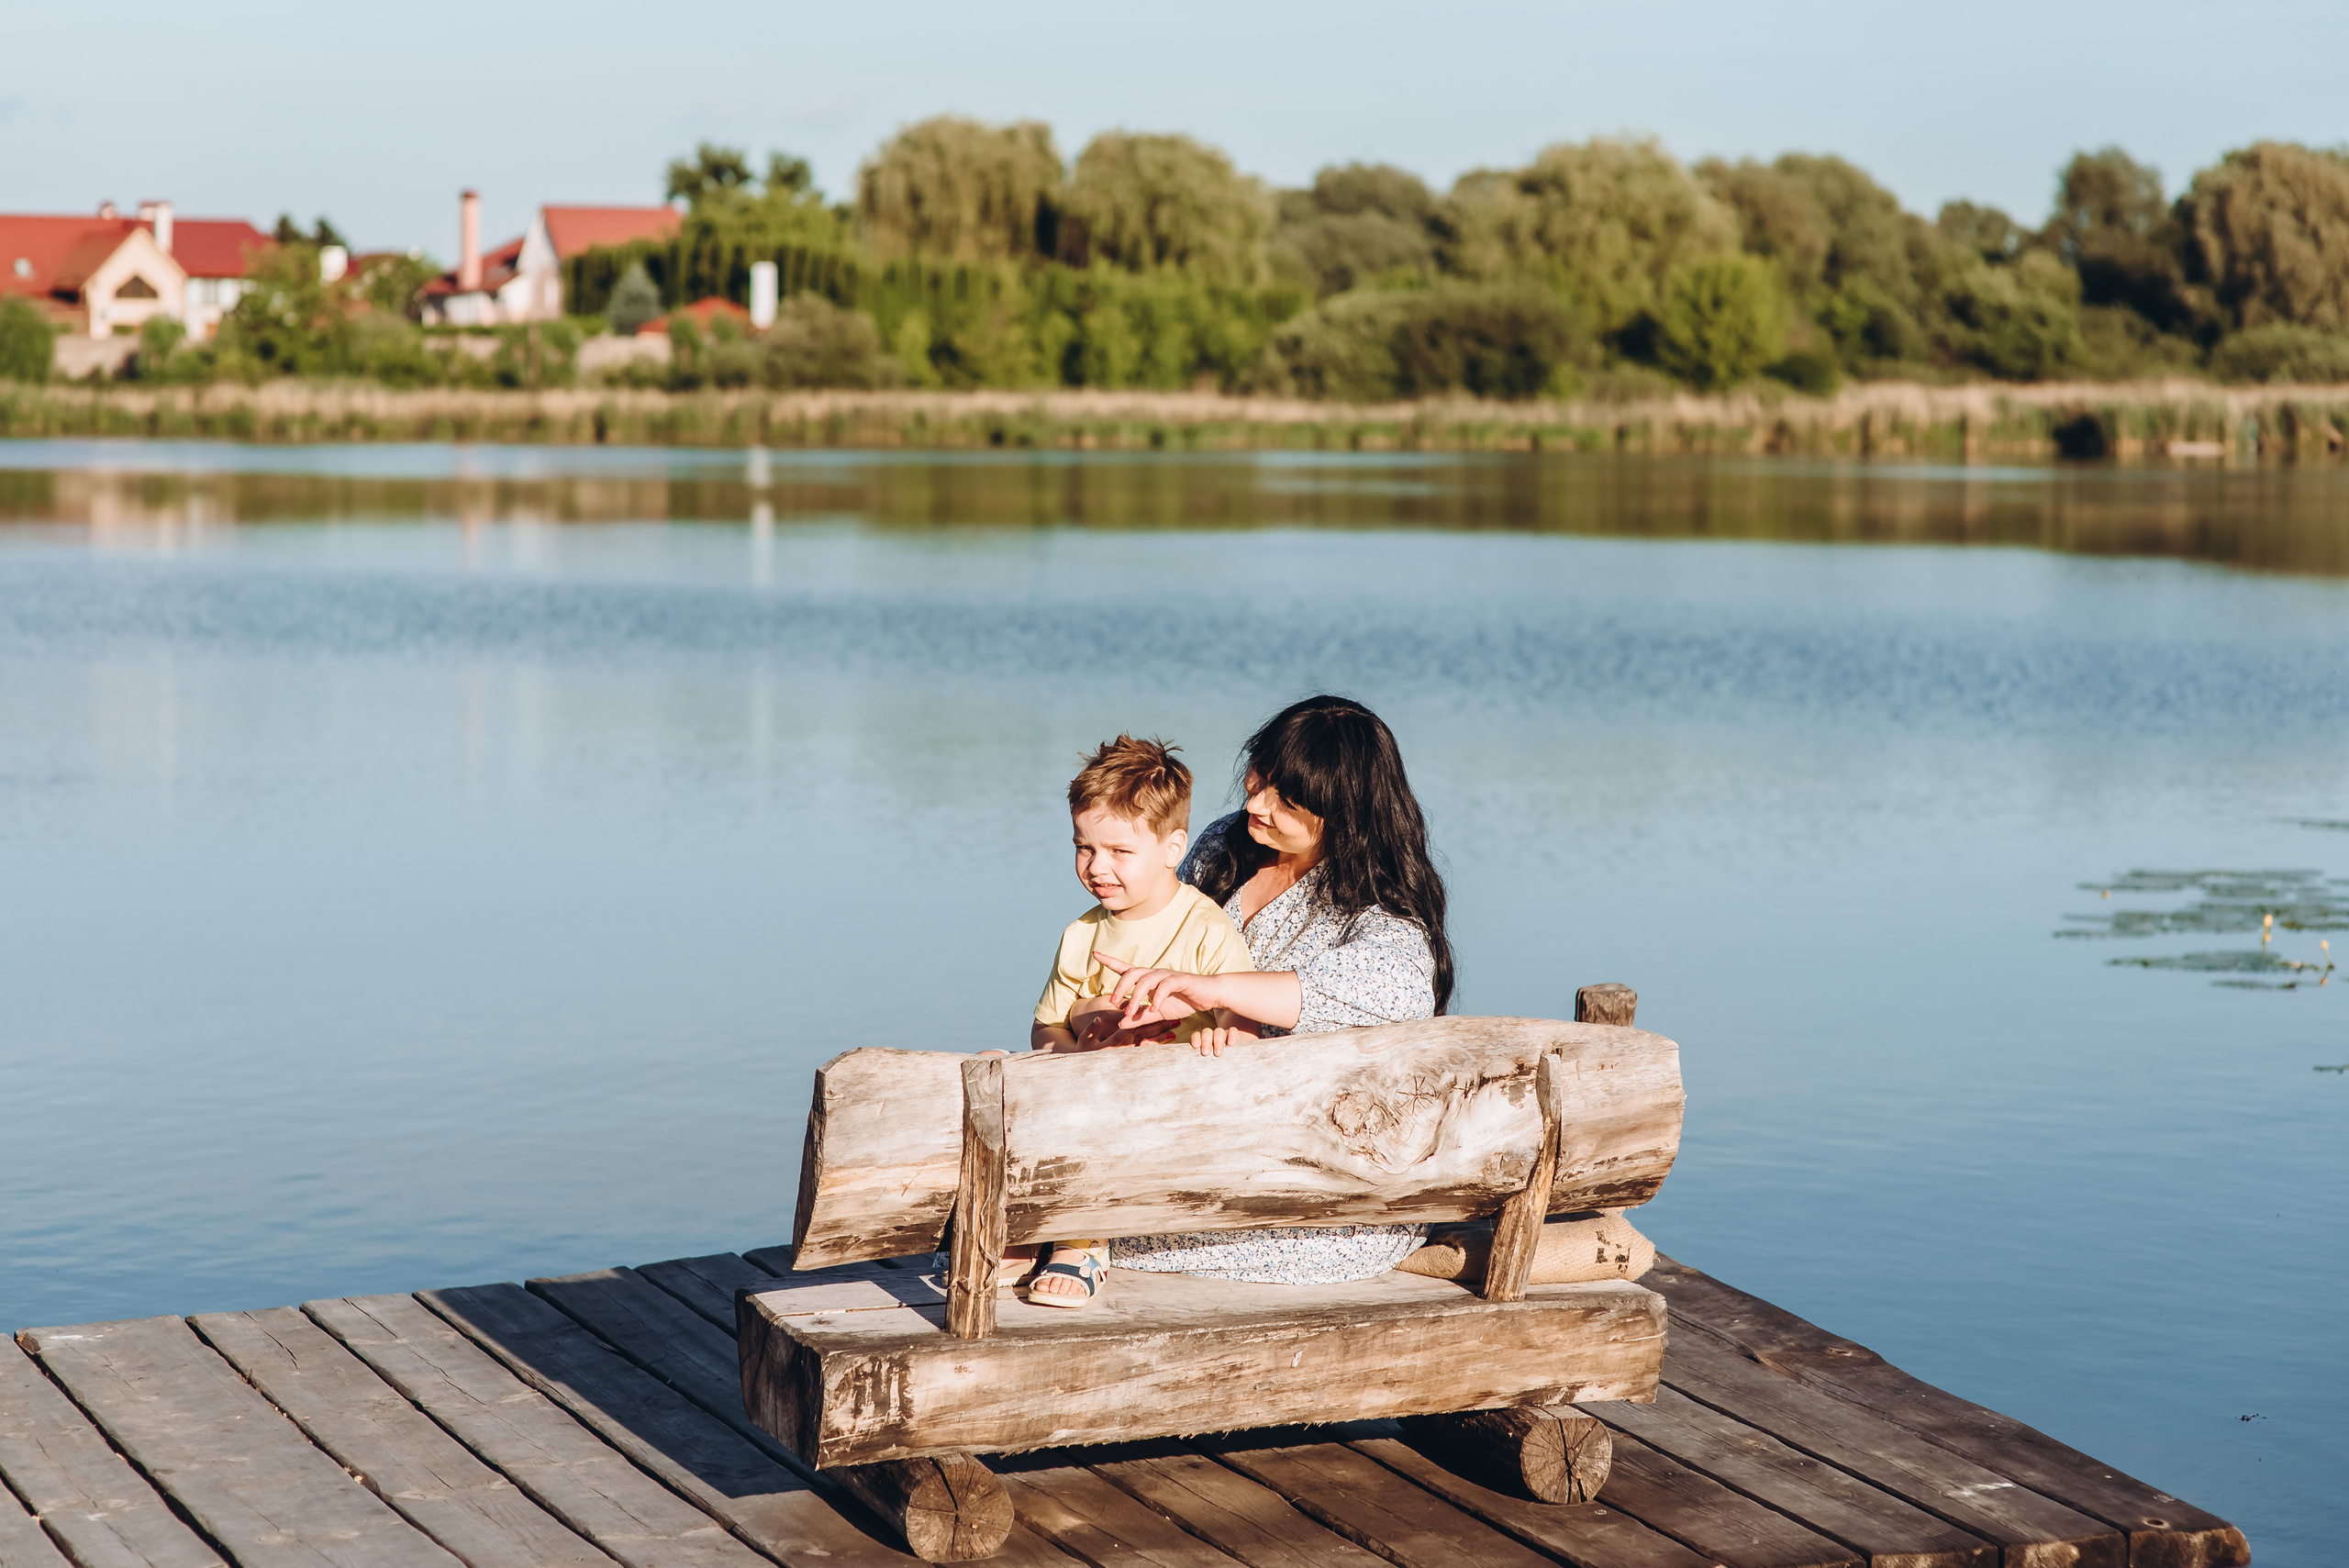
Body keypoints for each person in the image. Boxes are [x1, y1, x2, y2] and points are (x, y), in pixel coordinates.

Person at [1094, 695, 1454, 1285]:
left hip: (1313, 1175)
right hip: (1187, 1116)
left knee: (1098, 1226)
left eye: (1283, 798)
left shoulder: (1382, 916)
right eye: (1258, 779)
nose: (1253, 803)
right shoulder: (1222, 849)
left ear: (1340, 811)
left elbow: (1389, 992)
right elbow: (1152, 945)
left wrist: (1214, 991)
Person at [1010, 734, 1257, 1306]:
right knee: (1003, 1076)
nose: (1098, 867)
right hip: (1089, 1091)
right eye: (1084, 848)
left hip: (1171, 1105)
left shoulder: (1205, 930)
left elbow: (1242, 1025)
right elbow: (1045, 1029)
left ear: (1173, 848)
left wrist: (1225, 1035)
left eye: (1120, 852)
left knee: (1097, 1125)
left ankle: (1080, 1242)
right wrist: (1077, 1053)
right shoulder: (1081, 934)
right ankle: (1021, 1221)